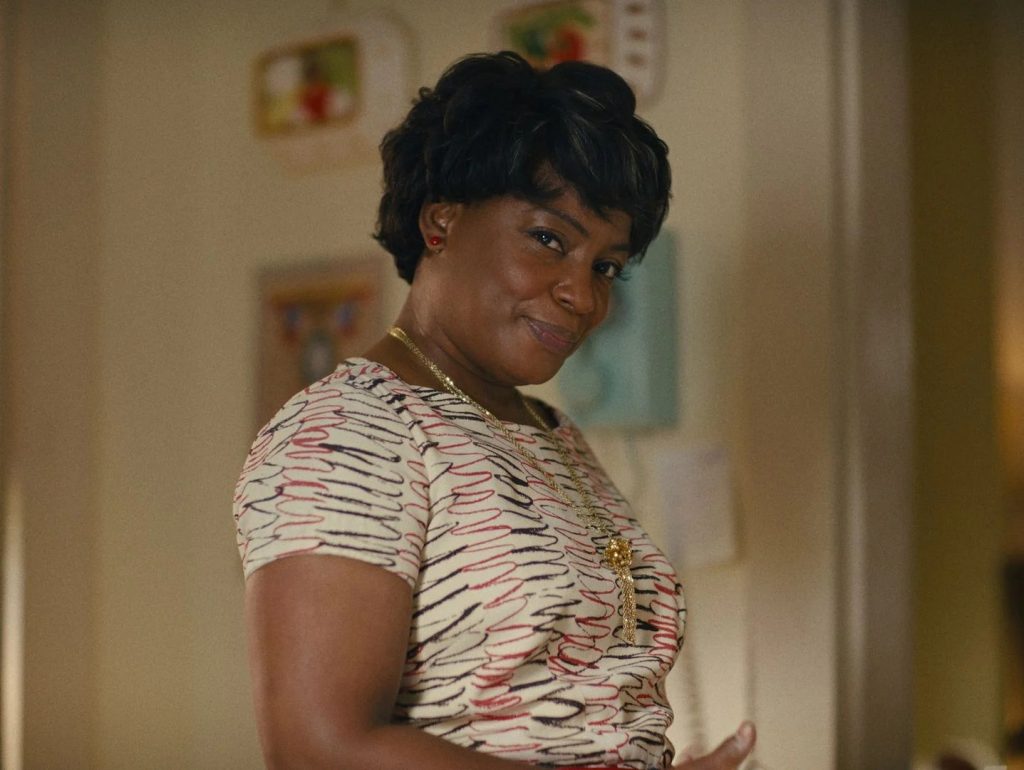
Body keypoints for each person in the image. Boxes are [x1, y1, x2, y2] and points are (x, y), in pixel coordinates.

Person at [234, 51, 756, 770]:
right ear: (441, 221)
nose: (582, 295)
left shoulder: (550, 433)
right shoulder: (347, 433)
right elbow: (319, 750)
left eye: (605, 266)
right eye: (548, 240)